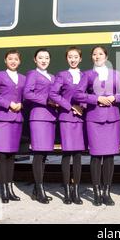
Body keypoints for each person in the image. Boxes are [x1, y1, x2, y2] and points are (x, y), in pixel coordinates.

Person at [78, 46, 120, 206]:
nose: (97, 56)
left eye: (100, 54)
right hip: (94, 119)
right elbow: (79, 94)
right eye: (95, 54)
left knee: (110, 157)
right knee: (96, 156)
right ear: (92, 57)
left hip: (112, 119)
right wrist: (96, 99)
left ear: (106, 56)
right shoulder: (87, 74)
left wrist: (113, 97)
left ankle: (107, 193)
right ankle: (97, 193)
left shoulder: (115, 74)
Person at [0, 49, 26, 203]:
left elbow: (27, 97)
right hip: (2, 119)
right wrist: (8, 103)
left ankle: (9, 188)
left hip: (16, 119)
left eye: (16, 59)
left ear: (19, 61)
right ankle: (3, 189)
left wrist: (21, 104)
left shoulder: (23, 78)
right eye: (10, 59)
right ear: (5, 60)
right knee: (2, 155)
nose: (13, 61)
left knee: (11, 156)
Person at [49, 46, 87, 205]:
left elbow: (88, 94)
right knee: (67, 154)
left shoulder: (85, 75)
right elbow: (53, 94)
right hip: (66, 117)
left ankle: (76, 191)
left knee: (78, 156)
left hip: (80, 119)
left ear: (80, 58)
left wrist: (82, 107)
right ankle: (66, 191)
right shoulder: (62, 75)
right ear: (67, 59)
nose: (73, 59)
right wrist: (69, 106)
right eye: (70, 57)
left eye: (76, 56)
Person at [23, 48, 57, 204]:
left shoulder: (52, 76)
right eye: (41, 58)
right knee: (38, 154)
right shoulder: (32, 74)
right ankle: (40, 189)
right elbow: (27, 94)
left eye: (47, 58)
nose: (44, 60)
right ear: (35, 60)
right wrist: (47, 101)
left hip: (50, 117)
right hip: (38, 117)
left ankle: (37, 190)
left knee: (44, 155)